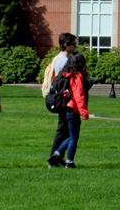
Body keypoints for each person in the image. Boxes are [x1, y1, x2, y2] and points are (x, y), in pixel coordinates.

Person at [48, 50, 90, 169]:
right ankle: (69, 162)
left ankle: (56, 154)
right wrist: (84, 112)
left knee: (71, 136)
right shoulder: (77, 76)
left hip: (65, 109)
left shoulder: (65, 74)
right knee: (74, 137)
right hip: (73, 110)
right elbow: (79, 96)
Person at [46, 33, 76, 165]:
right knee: (63, 129)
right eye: (73, 43)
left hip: (61, 97)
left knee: (64, 129)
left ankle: (59, 158)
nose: (75, 46)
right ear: (65, 44)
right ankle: (54, 158)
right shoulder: (62, 60)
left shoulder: (61, 58)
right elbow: (65, 80)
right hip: (62, 98)